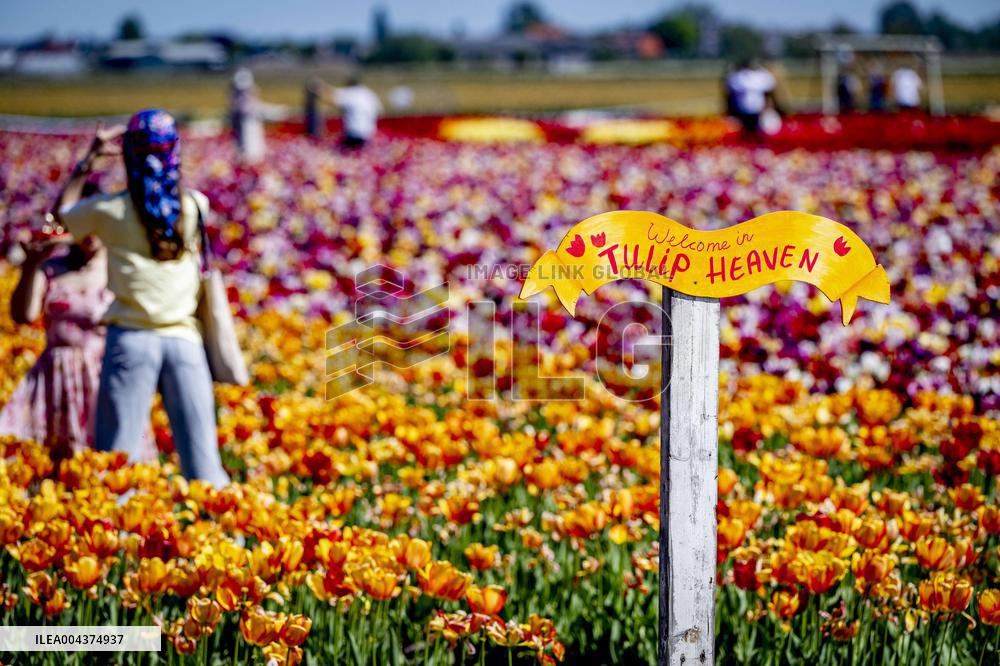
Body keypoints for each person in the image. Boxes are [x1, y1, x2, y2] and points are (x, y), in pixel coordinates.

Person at [55, 110, 230, 488]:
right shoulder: (195, 205)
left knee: (119, 460)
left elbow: (57, 221)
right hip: (184, 340)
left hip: (132, 340)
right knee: (204, 463)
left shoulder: (110, 210)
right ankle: (220, 538)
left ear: (129, 155)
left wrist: (88, 162)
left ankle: (116, 537)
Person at [724, 59, 777, 136]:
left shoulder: (762, 76)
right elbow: (729, 95)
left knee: (762, 131)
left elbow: (769, 94)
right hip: (742, 111)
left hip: (758, 111)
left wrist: (767, 108)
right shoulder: (738, 77)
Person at [327, 76, 382, 148]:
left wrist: (318, 88)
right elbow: (380, 111)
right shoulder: (369, 94)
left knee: (344, 153)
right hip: (368, 132)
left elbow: (332, 99)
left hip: (354, 132)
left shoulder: (351, 93)